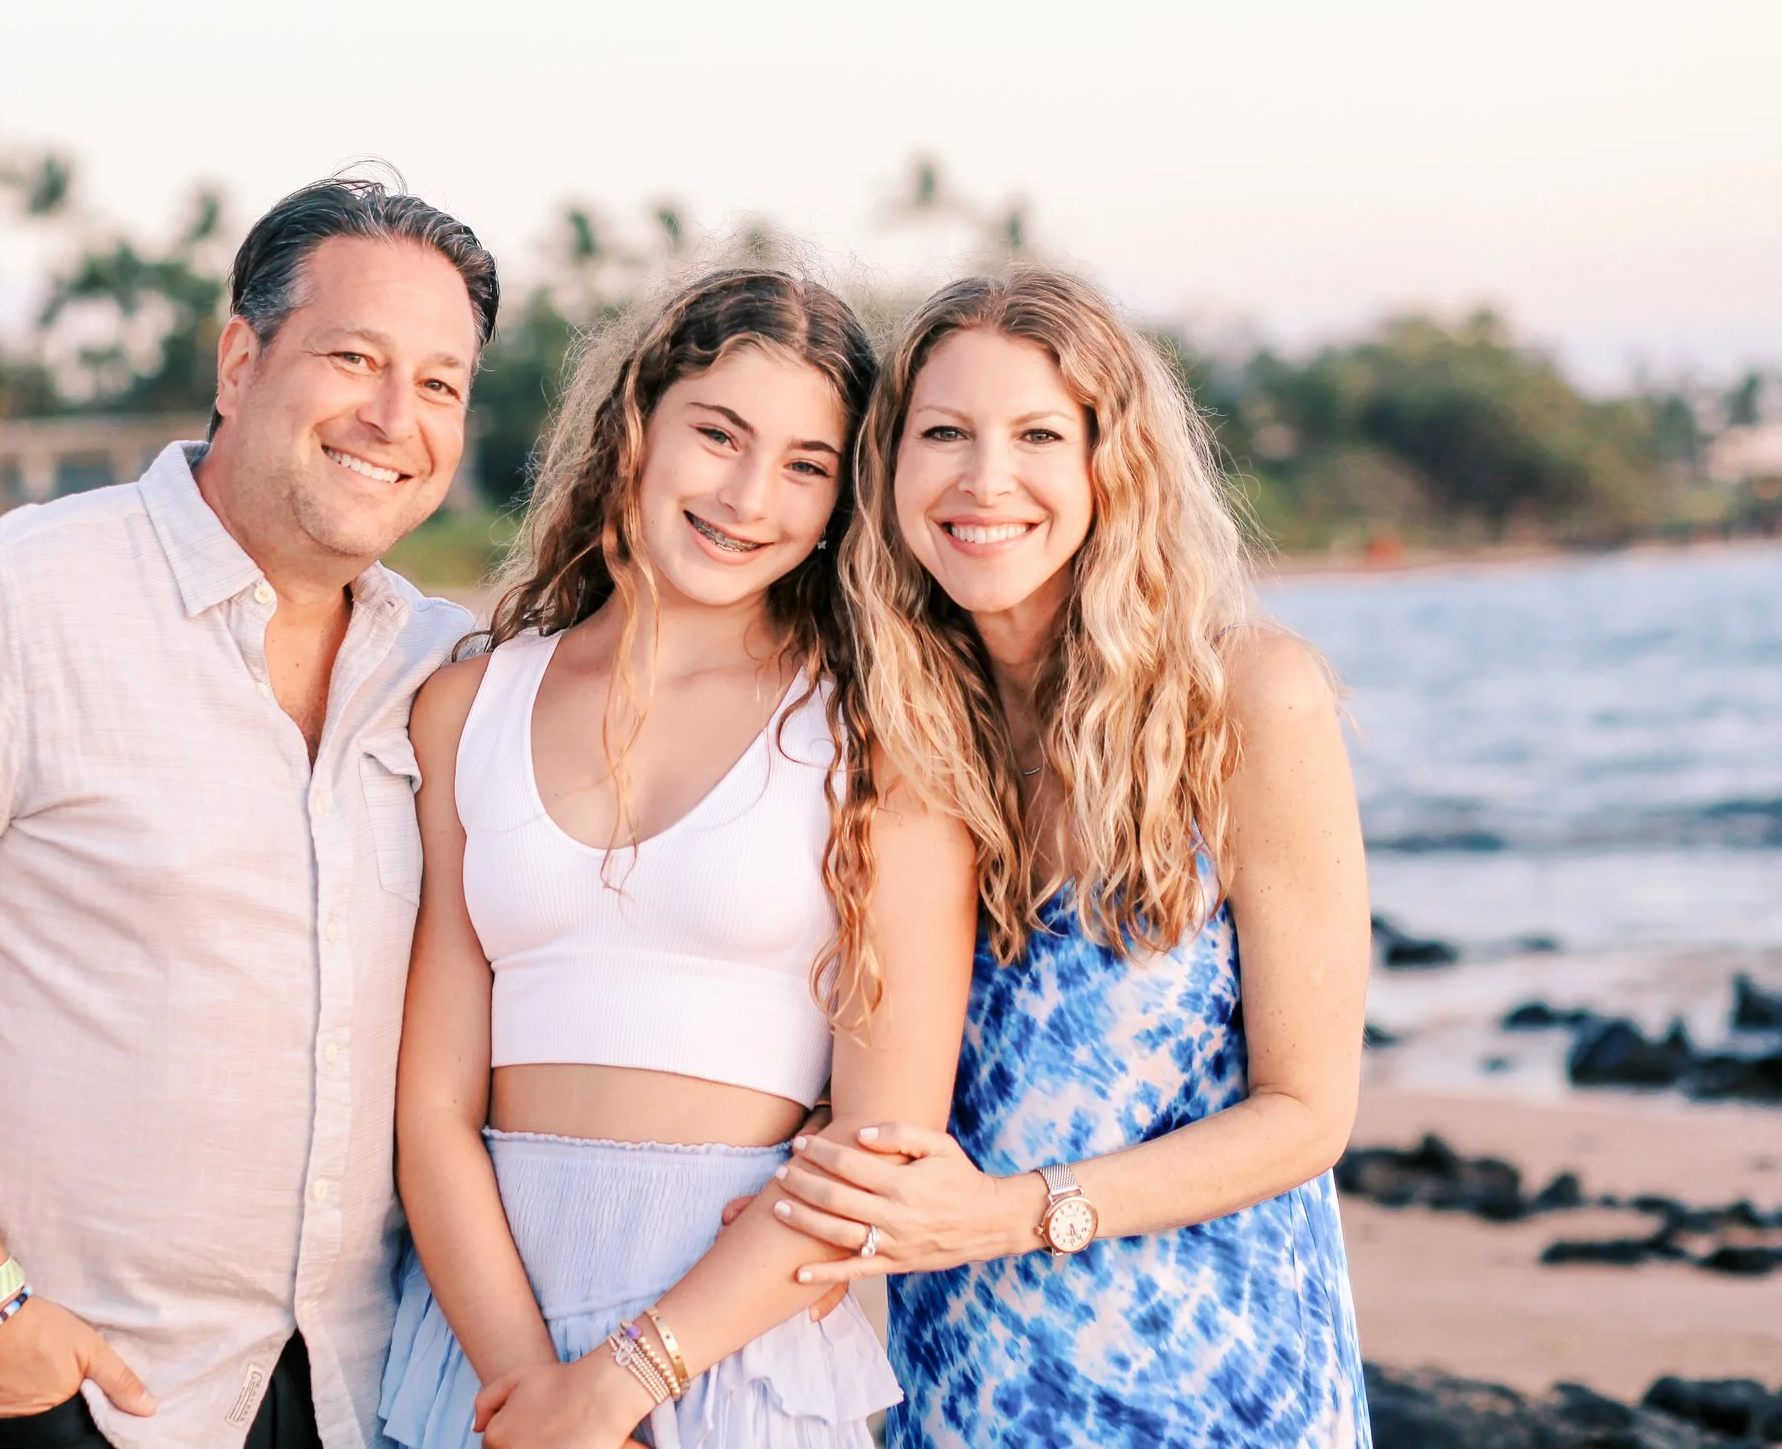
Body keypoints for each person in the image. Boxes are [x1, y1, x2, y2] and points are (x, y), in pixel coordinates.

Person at [0, 176, 499, 1449]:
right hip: (82, 1393)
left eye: (438, 384)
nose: (393, 416)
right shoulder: (22, 596)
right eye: (353, 358)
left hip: (355, 1390)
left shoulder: (445, 667)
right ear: (238, 357)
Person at [761, 269, 1373, 1445]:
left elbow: (1305, 1111)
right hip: (958, 1390)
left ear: (1114, 464)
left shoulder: (1242, 699)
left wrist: (1010, 1214)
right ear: (887, 469)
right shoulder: (890, 731)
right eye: (943, 432)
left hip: (1216, 1388)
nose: (985, 479)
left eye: (1038, 433)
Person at [380, 267, 980, 1449]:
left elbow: (878, 1145)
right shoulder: (465, 706)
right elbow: (433, 1110)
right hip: (484, 1352)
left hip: (731, 1342)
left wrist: (623, 1382)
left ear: (842, 498)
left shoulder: (879, 733)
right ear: (637, 424)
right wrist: (534, 1391)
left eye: (807, 463)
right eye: (719, 433)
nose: (750, 495)